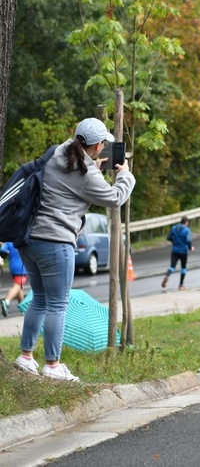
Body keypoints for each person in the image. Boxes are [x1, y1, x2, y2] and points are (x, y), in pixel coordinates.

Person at [13, 118, 135, 382]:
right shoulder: (86, 173)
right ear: (98, 145)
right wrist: (125, 174)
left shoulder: (58, 152)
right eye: (103, 144)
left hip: (29, 239)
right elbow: (114, 198)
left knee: (41, 299)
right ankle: (53, 365)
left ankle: (25, 357)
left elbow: (71, 183)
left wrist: (94, 168)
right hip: (56, 243)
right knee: (58, 304)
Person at [160, 216, 194, 291]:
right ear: (186, 222)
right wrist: (190, 247)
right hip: (183, 251)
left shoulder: (174, 228)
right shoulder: (186, 230)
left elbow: (168, 237)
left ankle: (167, 276)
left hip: (175, 250)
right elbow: (188, 240)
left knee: (172, 267)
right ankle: (181, 285)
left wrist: (174, 241)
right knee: (183, 268)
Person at [0, 241, 28, 317]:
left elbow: (2, 253)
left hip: (12, 266)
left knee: (20, 288)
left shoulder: (8, 241)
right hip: (22, 266)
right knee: (17, 286)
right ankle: (7, 301)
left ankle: (22, 308)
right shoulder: (22, 238)